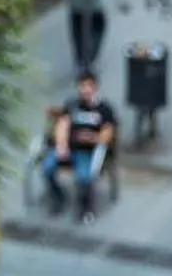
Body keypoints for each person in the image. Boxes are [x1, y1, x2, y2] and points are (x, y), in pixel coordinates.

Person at [47, 70, 119, 223]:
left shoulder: (104, 109)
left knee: (84, 177)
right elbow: (62, 124)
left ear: (95, 88)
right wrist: (62, 145)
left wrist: (93, 139)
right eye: (82, 86)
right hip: (70, 147)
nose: (86, 89)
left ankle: (85, 206)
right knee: (47, 168)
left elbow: (108, 131)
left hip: (87, 152)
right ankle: (58, 196)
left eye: (89, 86)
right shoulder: (72, 104)